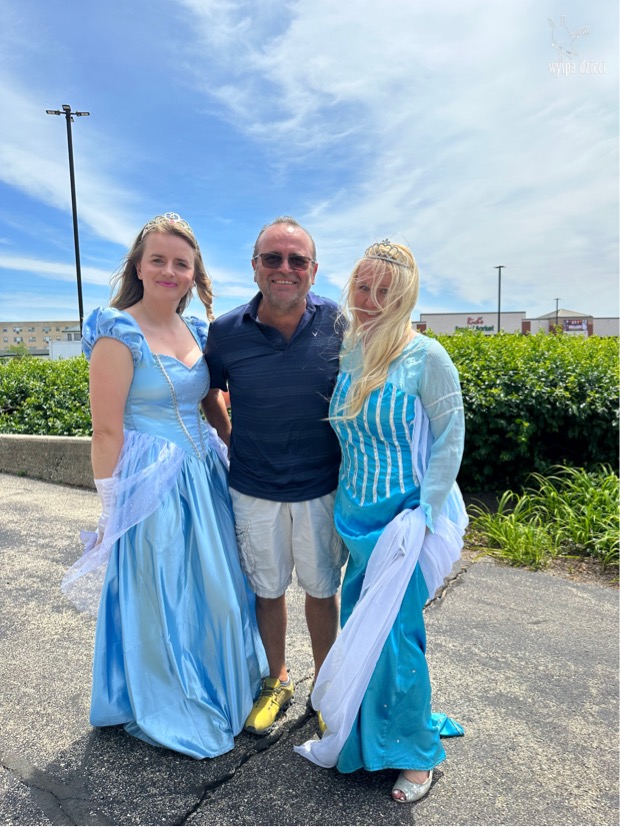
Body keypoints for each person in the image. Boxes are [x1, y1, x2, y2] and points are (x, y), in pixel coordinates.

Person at [61, 212, 267, 759]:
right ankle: (171, 696)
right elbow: (105, 430)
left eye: (182, 263)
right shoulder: (117, 332)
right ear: (139, 266)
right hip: (151, 482)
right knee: (165, 591)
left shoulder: (196, 330)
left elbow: (211, 403)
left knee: (221, 592)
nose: (169, 271)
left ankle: (224, 683)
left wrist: (234, 450)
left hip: (204, 473)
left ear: (194, 273)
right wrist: (112, 503)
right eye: (158, 260)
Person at [294, 240, 468, 802]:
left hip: (404, 520)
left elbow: (450, 439)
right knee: (364, 630)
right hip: (353, 515)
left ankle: (416, 755)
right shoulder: (349, 351)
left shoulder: (427, 357)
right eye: (363, 288)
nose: (370, 300)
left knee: (397, 637)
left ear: (406, 296)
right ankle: (367, 735)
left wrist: (426, 513)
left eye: (384, 291)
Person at [203, 216, 345, 735]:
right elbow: (209, 391)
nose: (285, 268)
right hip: (253, 487)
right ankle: (277, 679)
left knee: (322, 589)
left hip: (322, 486)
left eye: (297, 260)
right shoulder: (224, 332)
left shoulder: (341, 324)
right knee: (267, 590)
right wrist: (231, 437)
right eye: (272, 258)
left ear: (313, 269)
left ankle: (326, 688)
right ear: (255, 266)